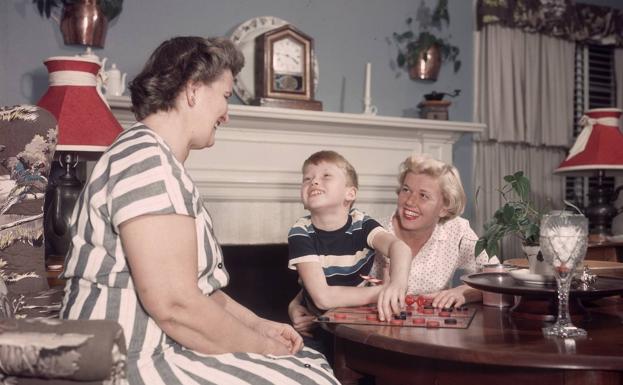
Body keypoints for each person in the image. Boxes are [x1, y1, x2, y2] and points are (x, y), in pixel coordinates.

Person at [59, 36, 340, 385]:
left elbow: (197, 293)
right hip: (126, 360)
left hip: (155, 347)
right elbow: (176, 306)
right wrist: (262, 348)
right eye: (224, 97)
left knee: (310, 360)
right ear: (193, 90)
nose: (227, 114)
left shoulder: (156, 160)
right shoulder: (146, 163)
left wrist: (260, 327)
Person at [289, 154, 489, 335]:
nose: (410, 201)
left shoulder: (458, 231)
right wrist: (297, 303)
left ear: (444, 207)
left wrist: (463, 292)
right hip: (376, 333)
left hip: (434, 334)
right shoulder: (373, 231)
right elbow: (335, 275)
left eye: (423, 195)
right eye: (406, 190)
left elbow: (498, 278)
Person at [287, 150, 413, 341]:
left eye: (326, 176)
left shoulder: (361, 223)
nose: (313, 181)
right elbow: (323, 298)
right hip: (318, 327)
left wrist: (397, 284)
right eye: (307, 179)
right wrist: (382, 291)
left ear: (350, 193)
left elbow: (399, 248)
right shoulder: (300, 232)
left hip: (358, 321)